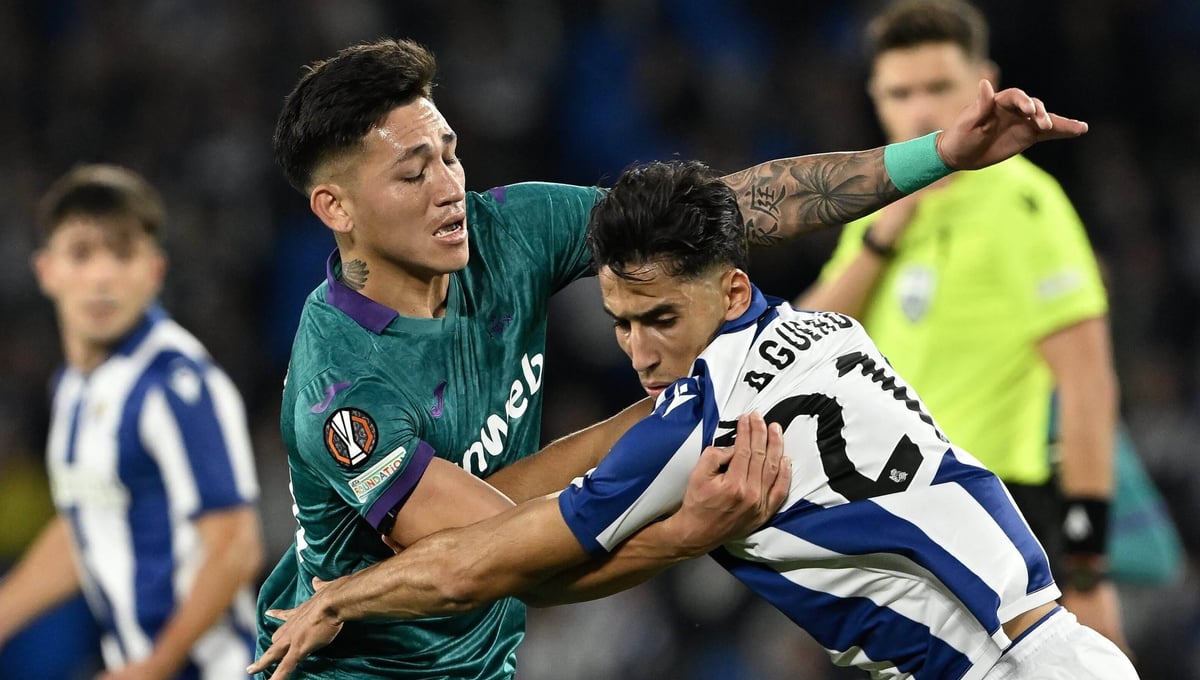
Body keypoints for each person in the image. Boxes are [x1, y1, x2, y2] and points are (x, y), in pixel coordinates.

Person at [253, 36, 1086, 679]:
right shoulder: (343, 388)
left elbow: (717, 215)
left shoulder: (505, 231)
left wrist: (937, 155)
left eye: (449, 153)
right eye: (413, 175)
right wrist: (686, 528)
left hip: (482, 659)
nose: (448, 187)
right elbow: (506, 566)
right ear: (336, 207)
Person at [793, 0, 1125, 646]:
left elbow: (1087, 386)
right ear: (875, 97)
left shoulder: (1024, 205)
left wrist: (1087, 566)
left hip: (997, 515)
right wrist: (886, 233)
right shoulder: (876, 207)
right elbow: (800, 342)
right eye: (901, 93)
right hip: (889, 523)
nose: (920, 111)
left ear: (984, 85)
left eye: (939, 88)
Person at [0, 164, 264, 678]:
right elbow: (91, 522)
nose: (102, 276)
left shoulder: (178, 385)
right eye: (81, 254)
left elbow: (236, 545)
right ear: (47, 270)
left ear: (154, 271)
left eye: (122, 255)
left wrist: (154, 666)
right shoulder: (73, 387)